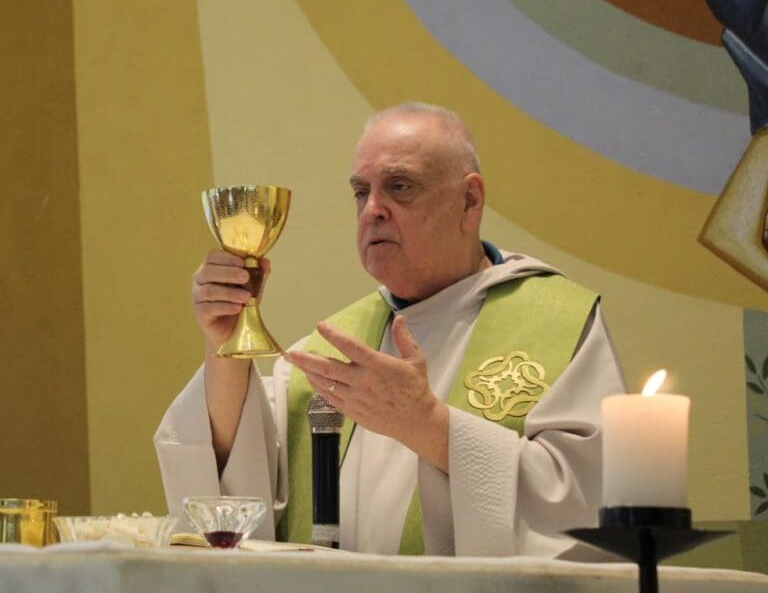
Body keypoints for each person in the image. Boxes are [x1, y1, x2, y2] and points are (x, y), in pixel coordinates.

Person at [155, 102, 626, 557]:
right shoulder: (336, 344)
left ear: (469, 201)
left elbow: (584, 504)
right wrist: (224, 345)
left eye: (400, 187)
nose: (372, 210)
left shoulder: (555, 323)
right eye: (361, 192)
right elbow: (238, 484)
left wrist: (430, 427)